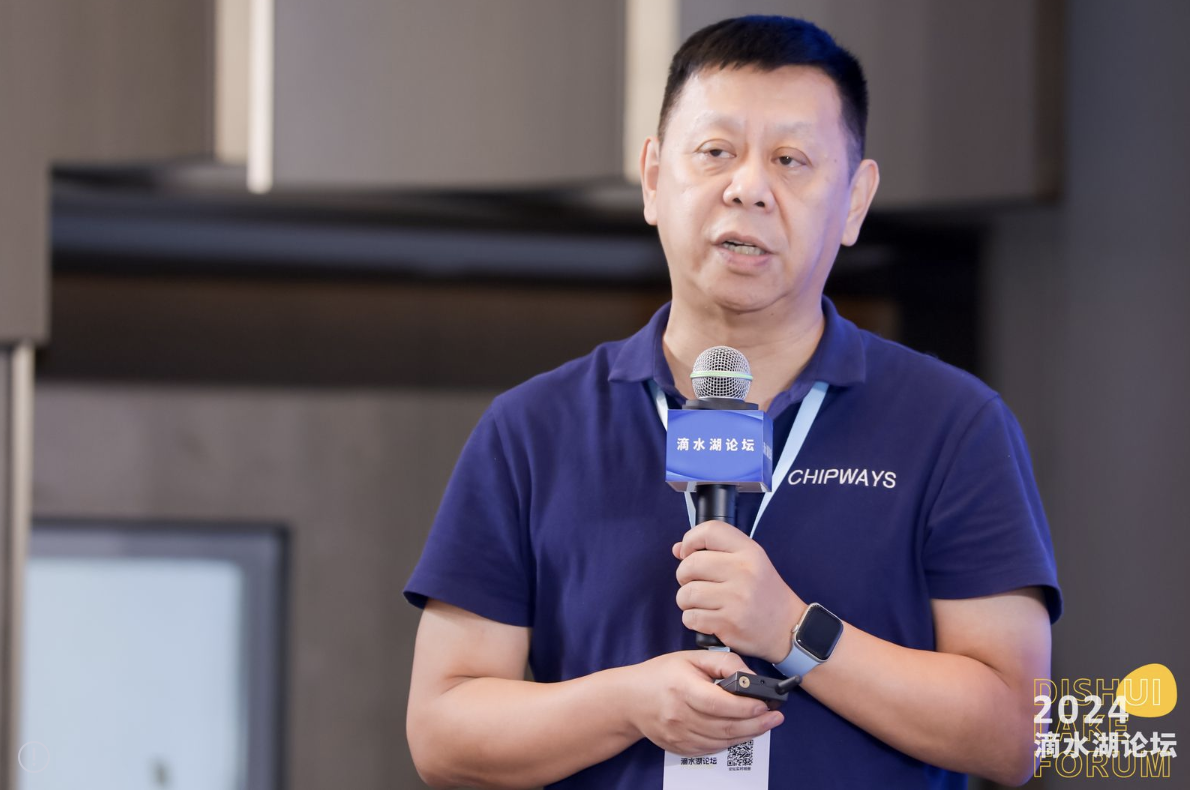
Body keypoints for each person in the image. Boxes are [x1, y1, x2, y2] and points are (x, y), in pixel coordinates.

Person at [404, 15, 1061, 790]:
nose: (747, 187)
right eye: (715, 151)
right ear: (654, 178)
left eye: (790, 160)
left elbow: (1019, 733)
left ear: (854, 201)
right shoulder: (530, 430)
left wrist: (793, 631)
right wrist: (626, 703)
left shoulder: (953, 425)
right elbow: (442, 733)